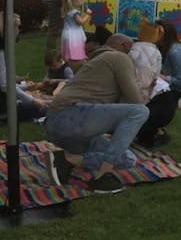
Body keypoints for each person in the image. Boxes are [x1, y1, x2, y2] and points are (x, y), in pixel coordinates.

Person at [43, 37, 150, 194]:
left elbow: (119, 108)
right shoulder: (119, 57)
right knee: (140, 112)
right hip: (68, 116)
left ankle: (68, 161)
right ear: (125, 46)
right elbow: (136, 103)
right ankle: (103, 175)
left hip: (61, 127)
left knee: (127, 159)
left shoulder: (96, 63)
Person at [157, 21, 181, 107]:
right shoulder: (161, 48)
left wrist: (160, 77)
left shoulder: (175, 51)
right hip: (168, 85)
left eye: (158, 32)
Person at [61, 0, 91, 68]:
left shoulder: (68, 10)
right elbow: (80, 22)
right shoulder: (74, 12)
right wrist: (88, 15)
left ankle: (70, 61)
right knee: (75, 47)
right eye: (80, 0)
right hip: (74, 34)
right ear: (74, 1)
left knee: (69, 48)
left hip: (68, 32)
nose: (82, 2)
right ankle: (77, 60)